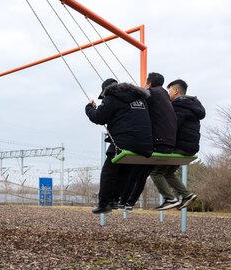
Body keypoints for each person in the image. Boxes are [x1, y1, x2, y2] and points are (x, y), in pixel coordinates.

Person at [85, 78, 153, 214]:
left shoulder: (112, 97)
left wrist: (89, 108)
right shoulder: (140, 98)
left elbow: (99, 117)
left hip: (124, 142)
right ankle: (115, 200)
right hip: (145, 143)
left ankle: (104, 203)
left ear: (106, 90)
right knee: (125, 171)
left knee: (109, 171)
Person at [119, 72, 177, 211]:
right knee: (142, 173)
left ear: (149, 83)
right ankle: (129, 203)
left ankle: (123, 202)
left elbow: (133, 99)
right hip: (169, 143)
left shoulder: (151, 92)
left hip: (157, 142)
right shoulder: (166, 96)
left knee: (134, 170)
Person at [152, 79, 205, 210]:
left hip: (180, 147)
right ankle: (187, 195)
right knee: (168, 173)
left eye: (169, 90)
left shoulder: (178, 105)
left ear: (176, 91)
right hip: (190, 148)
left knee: (155, 172)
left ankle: (170, 199)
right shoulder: (192, 105)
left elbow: (172, 126)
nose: (168, 94)